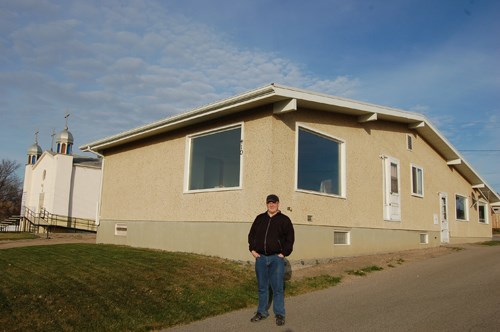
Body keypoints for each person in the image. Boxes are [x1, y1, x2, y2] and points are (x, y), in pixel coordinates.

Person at [248, 194, 295, 326]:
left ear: (278, 203)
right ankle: (262, 312)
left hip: (276, 259)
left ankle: (279, 314)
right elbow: (251, 235)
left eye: (274, 202)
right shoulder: (260, 218)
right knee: (262, 287)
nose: (271, 205)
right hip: (261, 258)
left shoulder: (284, 220)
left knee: (278, 288)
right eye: (269, 202)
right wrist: (252, 249)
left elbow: (290, 238)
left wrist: (284, 253)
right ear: (266, 204)